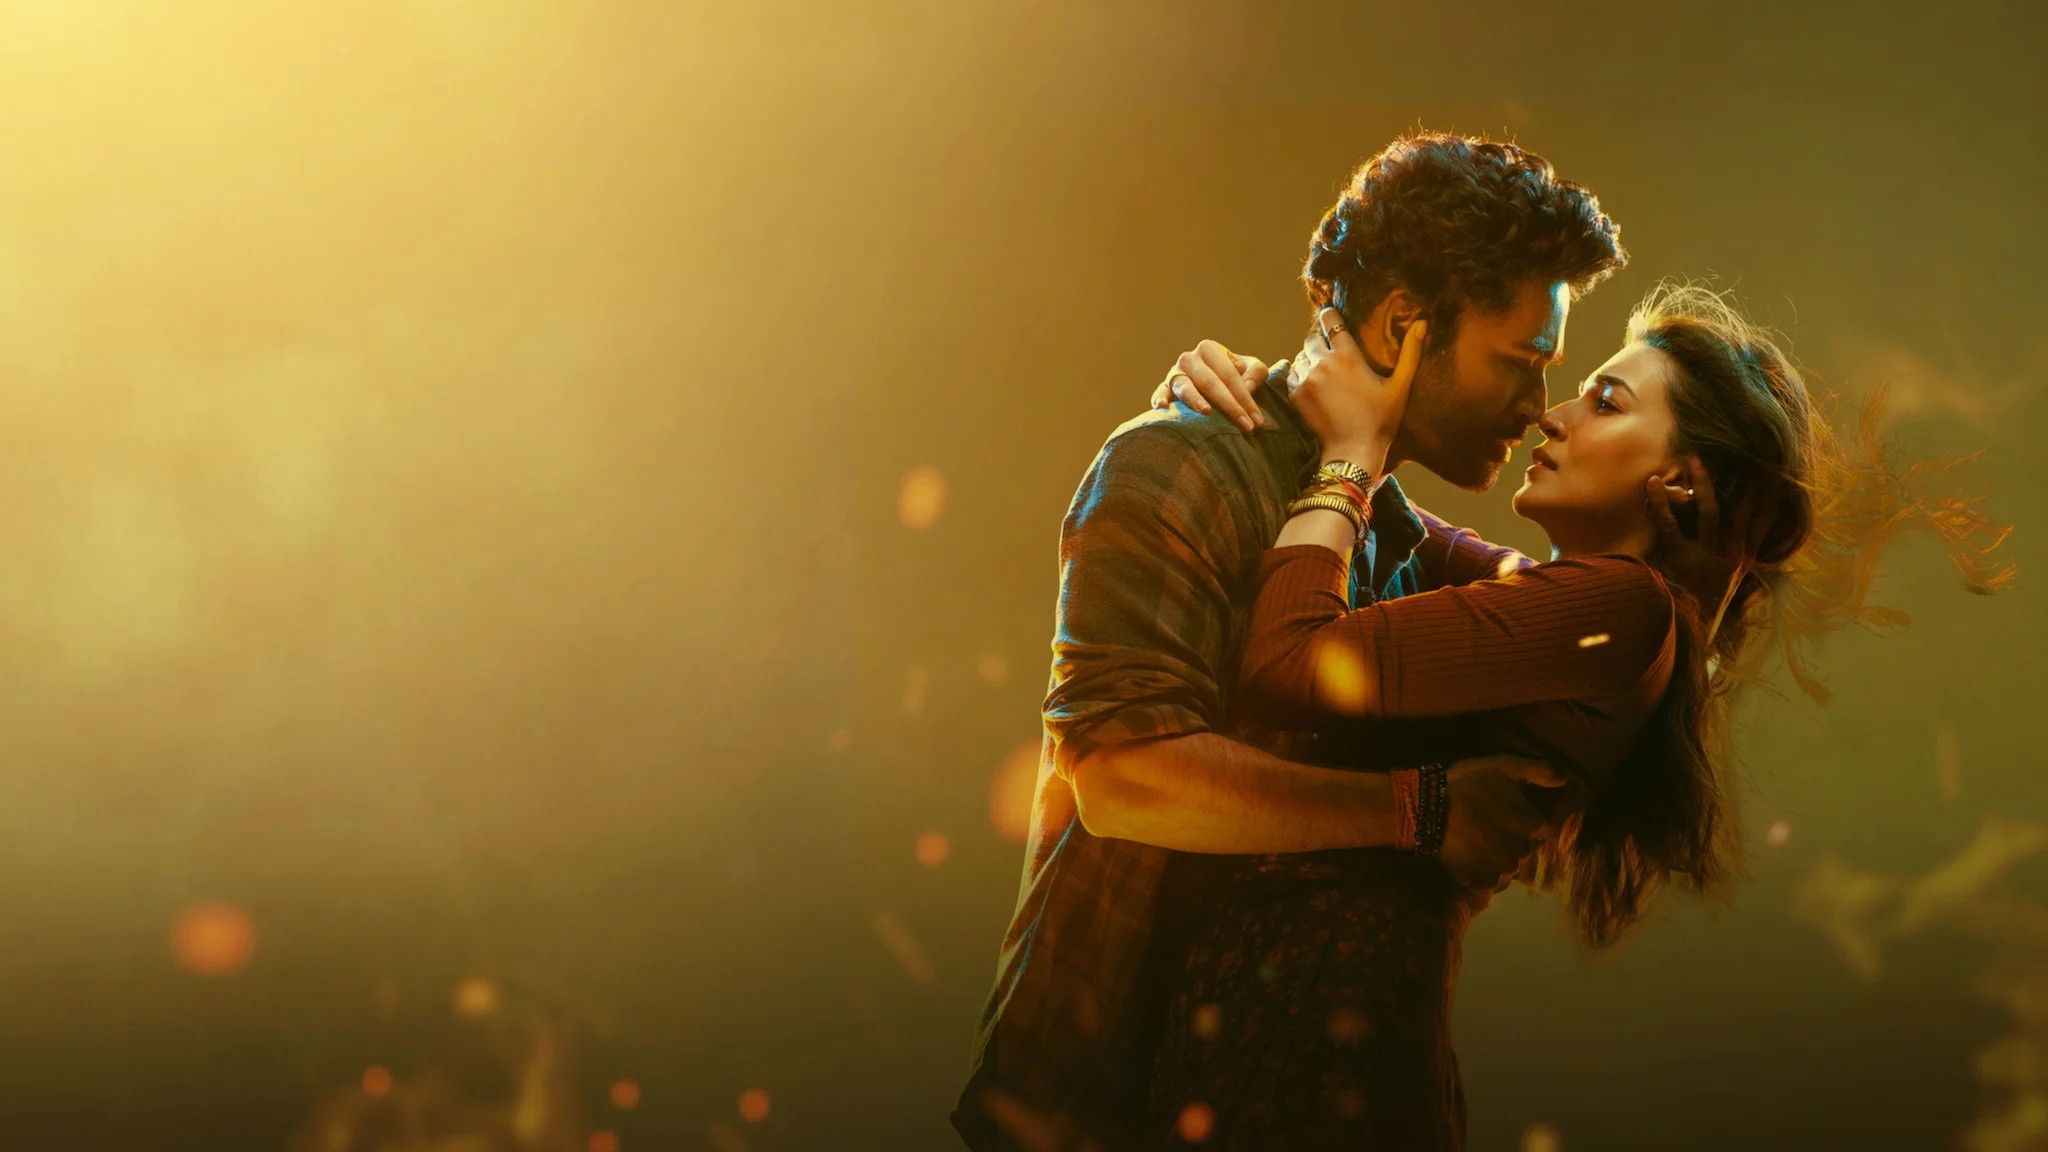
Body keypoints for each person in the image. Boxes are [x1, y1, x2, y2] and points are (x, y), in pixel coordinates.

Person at [1142, 281, 2011, 1149]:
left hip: (1317, 1049)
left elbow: (1287, 660)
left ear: (1680, 478)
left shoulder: (1623, 608)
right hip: (1310, 1030)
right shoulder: (1577, 606)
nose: (1550, 417)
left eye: (1605, 402)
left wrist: (1348, 450)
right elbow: (1384, 516)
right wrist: (1256, 396)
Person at [954, 133, 1638, 1152]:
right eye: (1523, 360)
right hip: (1099, 1112)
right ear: (1403, 324)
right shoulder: (1179, 463)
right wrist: (1417, 812)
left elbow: (1570, 624)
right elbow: (1123, 778)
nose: (1537, 405)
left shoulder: (1397, 535)